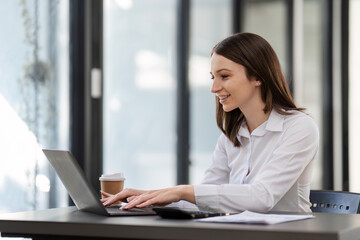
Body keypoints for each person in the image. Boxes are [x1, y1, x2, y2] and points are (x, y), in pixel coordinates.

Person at [102, 32, 319, 213]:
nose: (214, 88)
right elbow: (205, 199)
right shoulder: (231, 135)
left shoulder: (299, 128)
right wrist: (149, 198)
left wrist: (182, 190)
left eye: (224, 76)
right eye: (212, 77)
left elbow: (262, 197)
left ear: (257, 77)